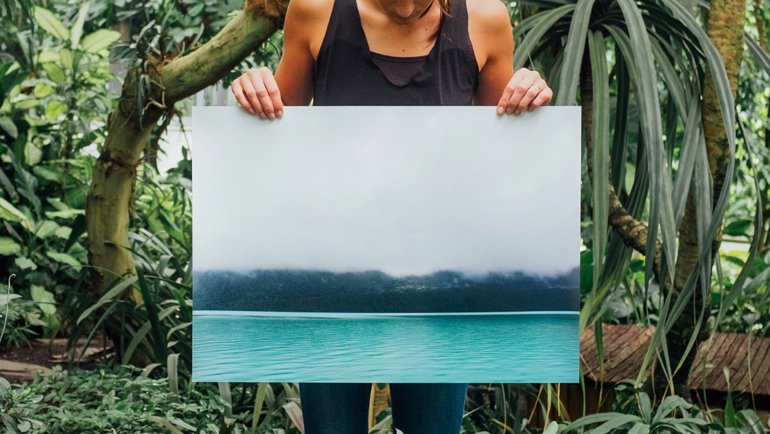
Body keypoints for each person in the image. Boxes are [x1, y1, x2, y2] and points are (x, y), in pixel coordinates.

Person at [230, 0, 553, 430]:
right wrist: (254, 88)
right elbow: (276, 124)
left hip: (440, 287)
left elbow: (504, 154)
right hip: (332, 278)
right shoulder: (314, 10)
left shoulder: (486, 18)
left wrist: (529, 95)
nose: (404, 6)